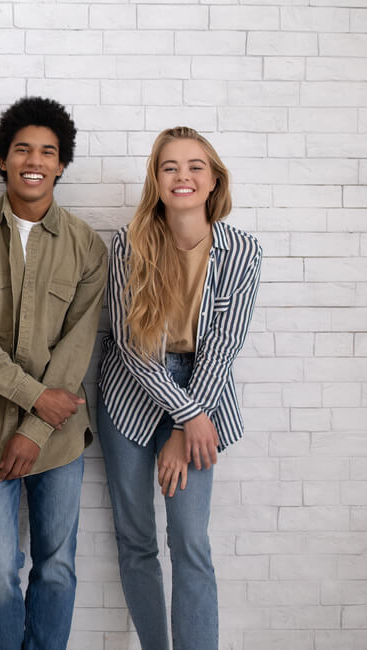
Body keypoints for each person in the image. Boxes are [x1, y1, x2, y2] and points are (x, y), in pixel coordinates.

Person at [0, 96, 107, 650]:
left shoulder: (87, 246)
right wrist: (38, 398)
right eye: (22, 149)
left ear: (62, 164)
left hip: (58, 438)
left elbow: (78, 346)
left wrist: (35, 427)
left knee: (57, 565)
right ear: (3, 159)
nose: (34, 160)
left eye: (48, 152)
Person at [97, 126, 261, 650]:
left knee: (189, 539)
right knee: (136, 538)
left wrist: (186, 422)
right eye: (170, 167)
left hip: (203, 392)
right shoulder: (130, 242)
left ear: (214, 179)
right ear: (156, 179)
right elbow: (130, 346)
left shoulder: (242, 251)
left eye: (195, 166)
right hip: (130, 393)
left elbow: (223, 347)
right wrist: (184, 417)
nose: (182, 176)